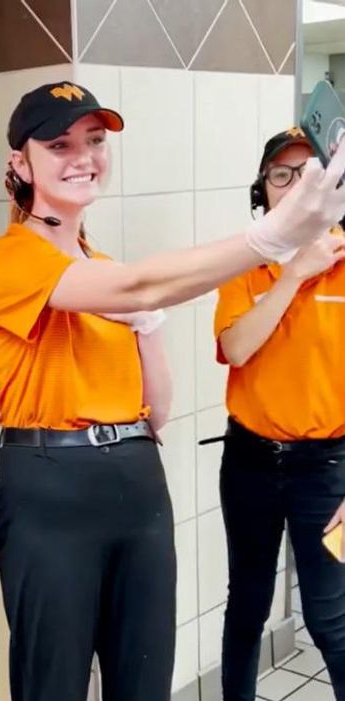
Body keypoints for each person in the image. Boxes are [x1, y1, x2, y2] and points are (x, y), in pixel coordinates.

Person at [0, 82, 345, 701]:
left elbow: (160, 405)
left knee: (145, 677)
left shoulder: (106, 266)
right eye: (59, 144)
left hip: (138, 479)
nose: (83, 156)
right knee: (54, 682)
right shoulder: (10, 260)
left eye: (94, 141)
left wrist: (145, 318)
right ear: (20, 162)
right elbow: (151, 294)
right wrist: (272, 242)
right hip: (51, 486)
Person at [215, 128, 345, 700]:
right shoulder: (245, 263)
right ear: (262, 189)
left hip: (330, 470)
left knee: (331, 617)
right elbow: (238, 347)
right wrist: (294, 271)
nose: (294, 186)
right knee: (246, 604)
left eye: (307, 173)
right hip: (249, 461)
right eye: (280, 175)